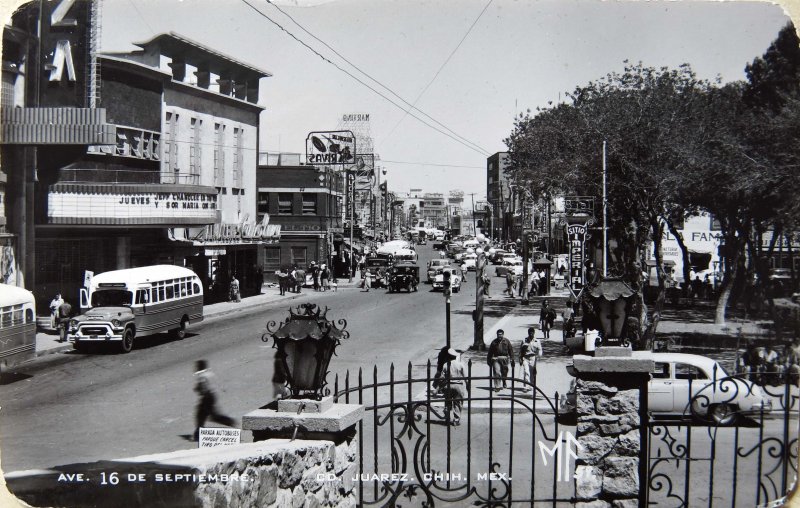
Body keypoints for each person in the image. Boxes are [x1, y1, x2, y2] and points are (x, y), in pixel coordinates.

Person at [192, 360, 236, 441]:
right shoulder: (209, 373)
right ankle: (197, 434)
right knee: (200, 415)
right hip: (211, 396)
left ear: (200, 367)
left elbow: (203, 388)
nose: (195, 368)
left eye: (197, 366)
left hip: (207, 397)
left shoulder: (201, 375)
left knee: (212, 416)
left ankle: (230, 422)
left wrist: (198, 389)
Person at [440, 348, 467, 426]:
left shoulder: (445, 365)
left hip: (448, 385)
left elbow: (442, 377)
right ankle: (456, 419)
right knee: (458, 402)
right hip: (458, 385)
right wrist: (467, 385)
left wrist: (441, 387)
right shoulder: (460, 364)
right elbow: (465, 377)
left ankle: (447, 417)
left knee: (447, 401)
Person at [518, 328, 543, 392]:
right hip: (525, 358)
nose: (531, 334)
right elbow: (520, 351)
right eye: (530, 332)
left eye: (532, 332)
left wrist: (539, 355)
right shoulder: (524, 340)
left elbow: (540, 349)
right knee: (526, 372)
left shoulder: (537, 341)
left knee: (532, 373)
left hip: (533, 358)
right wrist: (520, 359)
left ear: (534, 333)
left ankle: (532, 385)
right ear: (528, 333)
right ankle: (526, 387)